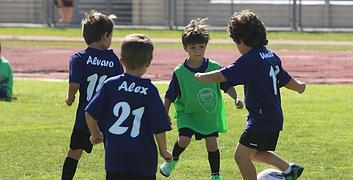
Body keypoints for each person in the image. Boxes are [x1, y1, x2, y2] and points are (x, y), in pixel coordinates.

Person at [195, 10, 306, 180]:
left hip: (260, 118)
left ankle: (288, 170)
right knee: (255, 153)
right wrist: (299, 87)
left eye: (235, 42)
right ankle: (289, 169)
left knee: (241, 156)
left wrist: (201, 77)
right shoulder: (270, 56)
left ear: (241, 40)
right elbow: (285, 79)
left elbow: (223, 75)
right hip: (273, 116)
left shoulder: (250, 59)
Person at [159, 18, 244, 180]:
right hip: (188, 113)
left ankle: (215, 175)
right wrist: (165, 113)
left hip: (208, 114)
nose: (197, 51)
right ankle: (172, 161)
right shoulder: (180, 72)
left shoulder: (214, 68)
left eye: (201, 47)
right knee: (183, 140)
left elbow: (226, 86)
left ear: (206, 46)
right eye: (193, 47)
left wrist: (236, 98)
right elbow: (170, 95)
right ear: (185, 48)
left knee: (212, 144)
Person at [85, 34, 173, 180]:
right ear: (149, 62)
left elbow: (89, 113)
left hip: (115, 156)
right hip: (143, 158)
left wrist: (95, 134)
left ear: (122, 60)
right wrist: (163, 151)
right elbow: (159, 126)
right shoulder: (149, 90)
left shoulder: (110, 85)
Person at [61, 10, 123, 180]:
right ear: (105, 36)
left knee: (74, 151)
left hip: (84, 116)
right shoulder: (114, 60)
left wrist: (70, 98)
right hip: (109, 117)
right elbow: (120, 86)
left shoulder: (79, 58)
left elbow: (74, 84)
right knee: (111, 155)